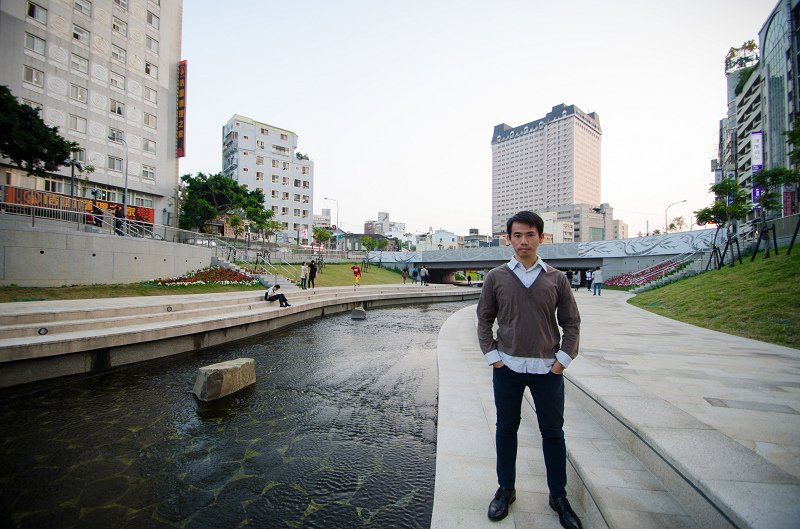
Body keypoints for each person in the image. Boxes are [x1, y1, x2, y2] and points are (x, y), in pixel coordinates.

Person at [476, 211, 582, 528]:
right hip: (506, 367)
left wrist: (563, 359)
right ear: (508, 239)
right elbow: (484, 319)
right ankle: (505, 489)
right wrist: (492, 356)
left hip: (547, 370)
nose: (524, 241)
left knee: (553, 433)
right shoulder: (496, 277)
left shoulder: (556, 278)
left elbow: (571, 322)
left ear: (541, 238)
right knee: (506, 429)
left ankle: (558, 496)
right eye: (518, 235)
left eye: (530, 235)